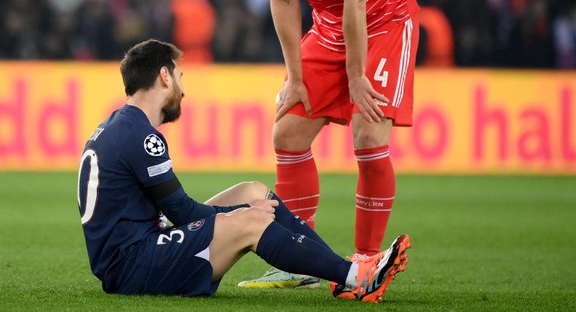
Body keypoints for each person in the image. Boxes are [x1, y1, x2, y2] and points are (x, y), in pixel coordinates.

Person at [76, 39, 410, 302]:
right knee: (252, 219)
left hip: (135, 251)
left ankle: (342, 275)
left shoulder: (118, 126)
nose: (182, 88)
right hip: (134, 266)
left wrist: (246, 206)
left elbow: (172, 211)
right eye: (179, 76)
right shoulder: (142, 138)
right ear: (164, 75)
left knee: (253, 190)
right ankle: (358, 277)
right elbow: (181, 212)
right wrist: (243, 213)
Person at [240, 0, 419, 289]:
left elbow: (355, 2)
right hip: (328, 26)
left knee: (368, 134)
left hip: (385, 21)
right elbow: (283, 1)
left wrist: (357, 76)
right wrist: (294, 76)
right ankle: (301, 261)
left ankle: (366, 263)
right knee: (288, 134)